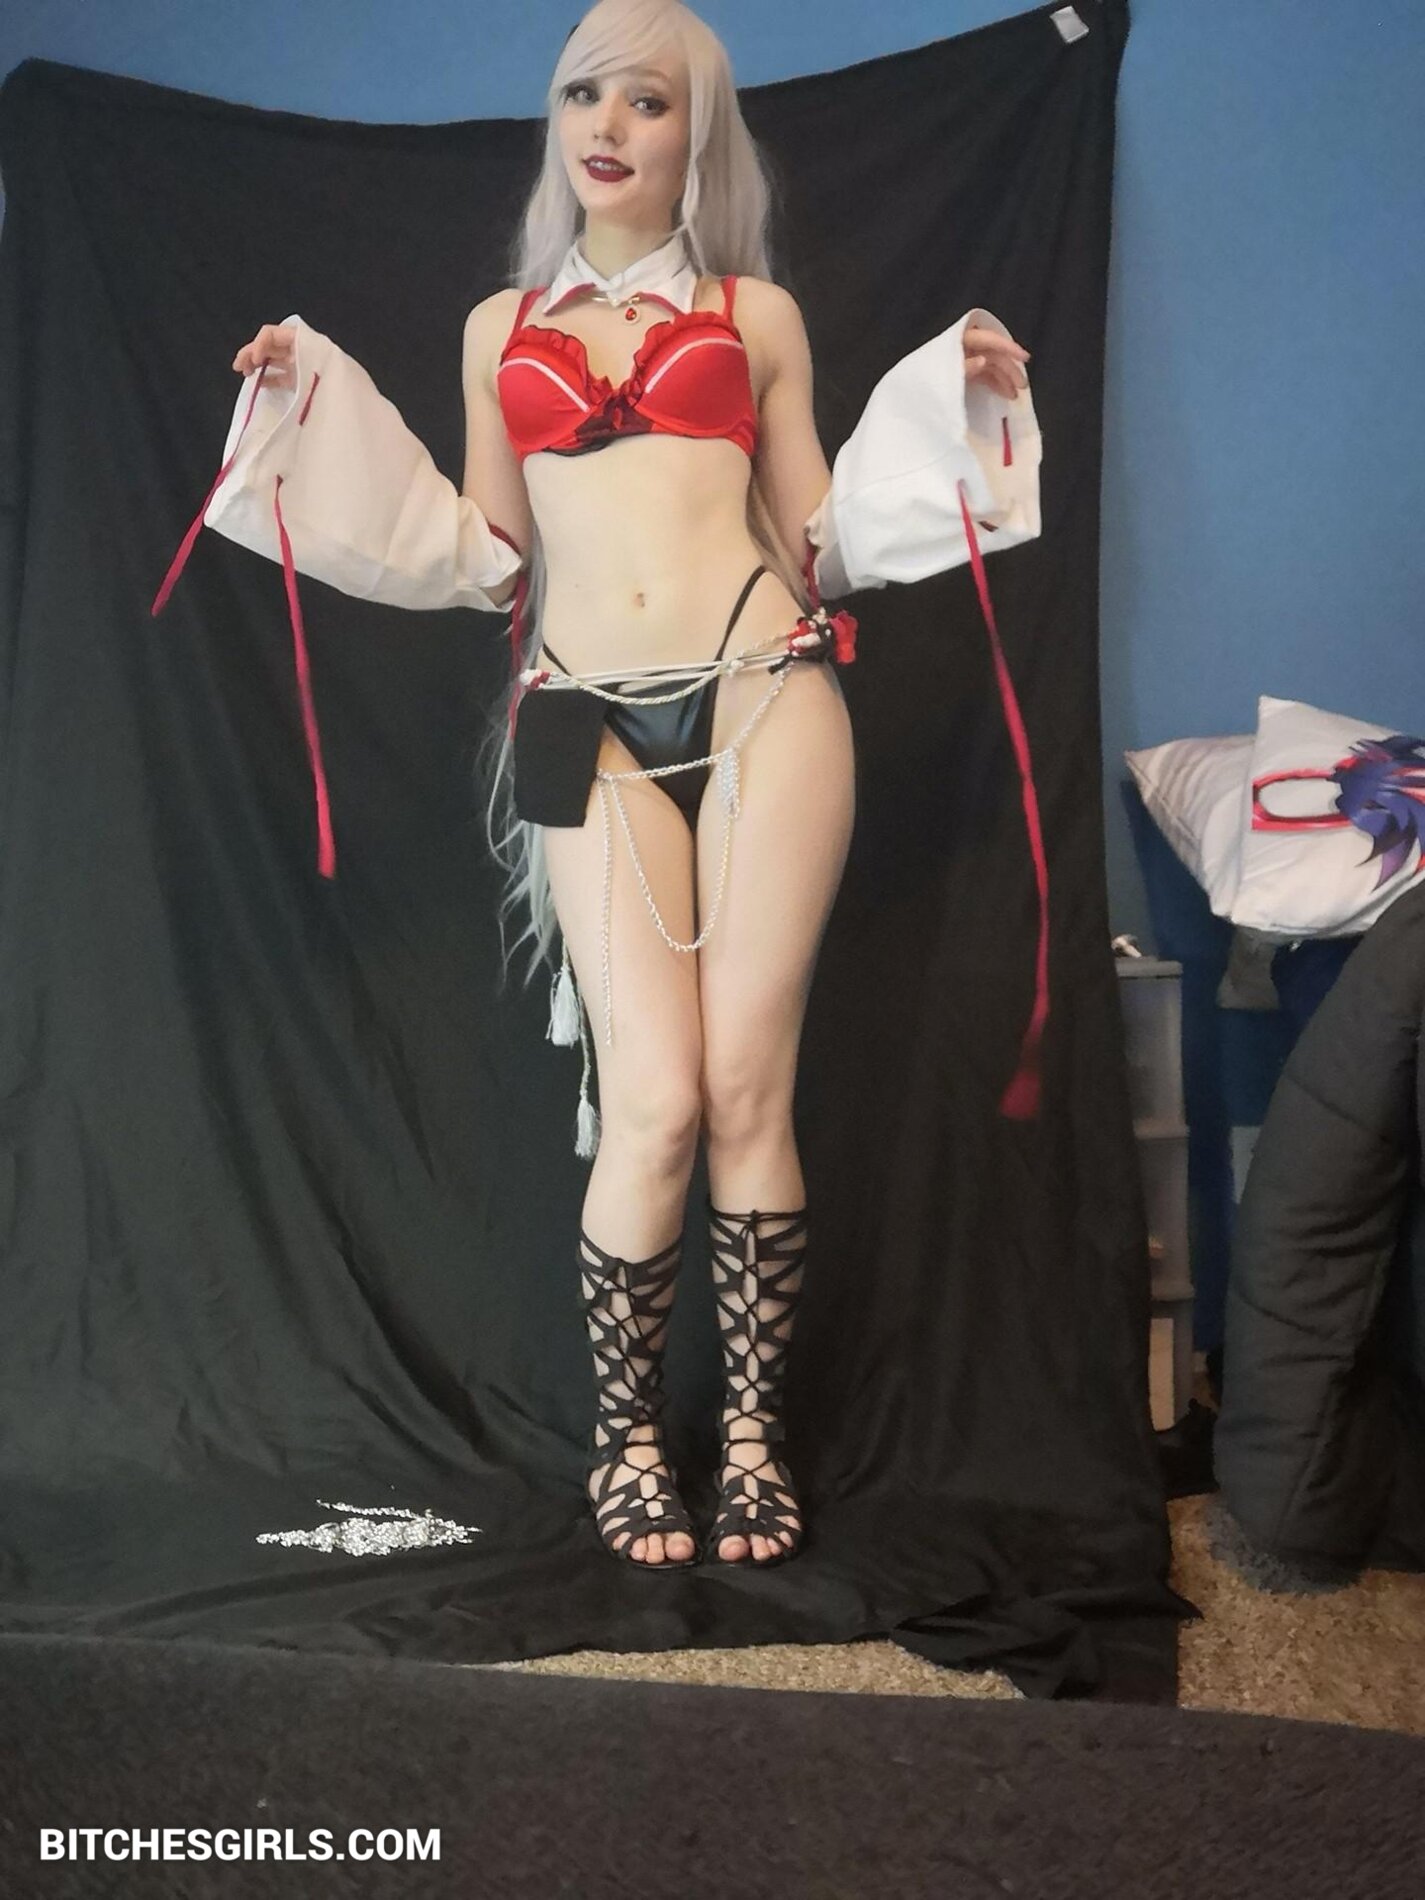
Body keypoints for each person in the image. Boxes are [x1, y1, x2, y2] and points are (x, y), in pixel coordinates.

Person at [215, 0, 1035, 1573]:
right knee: (651, 1101)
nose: (607, 125)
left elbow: (820, 538)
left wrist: (958, 406)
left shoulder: (754, 313)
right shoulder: (495, 330)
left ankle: (751, 1443)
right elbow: (483, 550)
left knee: (744, 1090)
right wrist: (301, 414)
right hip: (582, 719)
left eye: (646, 100)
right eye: (584, 92)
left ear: (693, 132)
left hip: (765, 690)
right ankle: (627, 1444)